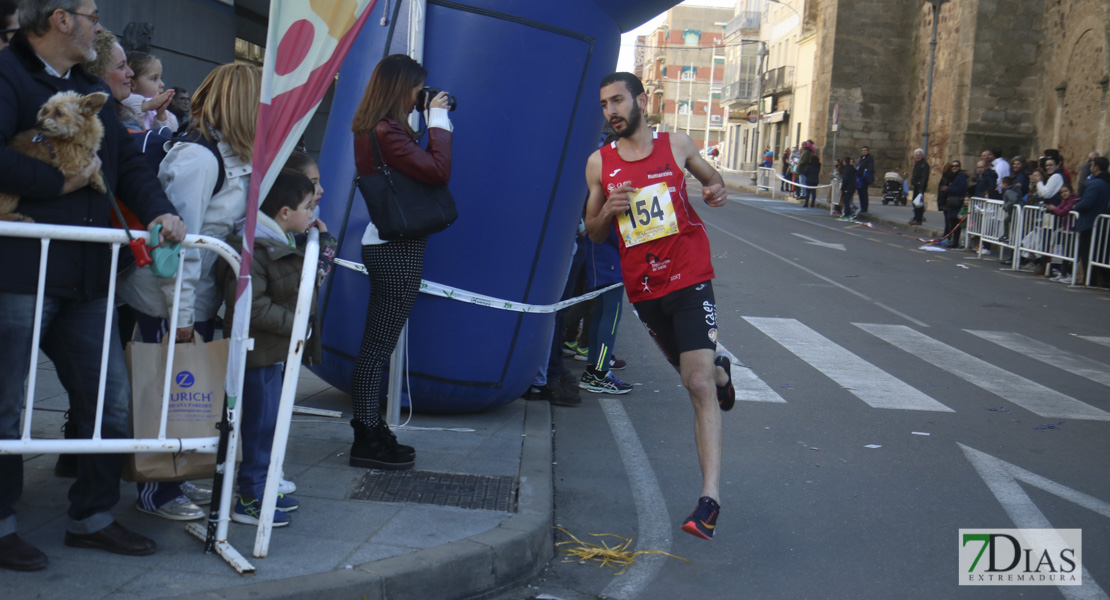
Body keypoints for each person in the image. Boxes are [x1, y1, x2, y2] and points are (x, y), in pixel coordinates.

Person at [0, 0, 186, 571]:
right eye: (91, 13)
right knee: (4, 407)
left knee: (111, 402)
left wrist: (162, 213)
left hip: (88, 275)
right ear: (59, 19)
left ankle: (92, 518)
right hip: (19, 273)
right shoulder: (6, 75)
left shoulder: (87, 84)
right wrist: (59, 184)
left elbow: (129, 164)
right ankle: (2, 526)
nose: (98, 26)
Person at [586, 72, 736, 541]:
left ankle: (709, 500)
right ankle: (722, 373)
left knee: (694, 383)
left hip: (690, 276)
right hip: (645, 290)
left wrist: (715, 191)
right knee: (699, 375)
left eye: (618, 101)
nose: (611, 111)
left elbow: (714, 182)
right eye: (605, 105)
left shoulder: (677, 146)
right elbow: (592, 231)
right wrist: (607, 210)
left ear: (641, 101)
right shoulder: (599, 163)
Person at [116, 62, 262, 521]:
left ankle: (168, 484)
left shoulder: (226, 153)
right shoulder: (199, 159)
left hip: (191, 298)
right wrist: (180, 320)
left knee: (180, 394)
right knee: (169, 394)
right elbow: (177, 247)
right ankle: (156, 490)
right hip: (169, 298)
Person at [348, 54, 452, 470]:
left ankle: (371, 430)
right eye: (415, 89)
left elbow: (418, 169)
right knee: (376, 349)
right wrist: (439, 119)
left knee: (377, 347)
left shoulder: (381, 129)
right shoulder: (387, 130)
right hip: (396, 250)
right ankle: (366, 436)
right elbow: (438, 170)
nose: (418, 98)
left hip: (391, 246)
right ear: (399, 88)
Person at [220, 169, 335, 526]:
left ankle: (258, 492)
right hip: (257, 353)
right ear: (284, 213)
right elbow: (251, 305)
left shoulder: (278, 239)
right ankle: (249, 501)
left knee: (267, 426)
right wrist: (295, 325)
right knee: (258, 429)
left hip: (271, 352)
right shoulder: (255, 246)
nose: (312, 213)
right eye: (306, 207)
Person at [1073, 157, 1110, 284]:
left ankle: (1091, 280)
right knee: (1100, 256)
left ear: (1096, 167)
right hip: (1102, 224)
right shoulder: (1106, 182)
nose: (1090, 167)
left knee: (1088, 255)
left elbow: (1086, 203)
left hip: (1090, 224)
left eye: (1092, 165)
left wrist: (1075, 206)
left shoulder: (1095, 184)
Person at [122, 51, 176, 132]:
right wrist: (147, 105)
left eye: (161, 78)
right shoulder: (124, 102)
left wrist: (161, 115)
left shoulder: (162, 112)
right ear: (132, 84)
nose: (162, 84)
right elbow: (128, 104)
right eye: (154, 78)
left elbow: (162, 136)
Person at [938, 160, 967, 247]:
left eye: (956, 166)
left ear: (959, 167)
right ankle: (951, 240)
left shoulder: (961, 176)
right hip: (951, 202)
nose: (954, 167)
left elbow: (961, 189)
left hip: (957, 202)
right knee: (951, 221)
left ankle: (955, 241)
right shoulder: (951, 176)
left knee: (955, 222)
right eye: (953, 166)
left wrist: (948, 189)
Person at [909, 148, 929, 225]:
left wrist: (921, 188)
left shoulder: (924, 164)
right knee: (915, 202)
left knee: (918, 203)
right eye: (916, 155)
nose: (918, 156)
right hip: (916, 185)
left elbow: (924, 177)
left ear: (922, 155)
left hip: (920, 186)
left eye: (919, 155)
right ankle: (915, 217)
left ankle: (918, 219)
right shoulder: (917, 163)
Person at [856, 146, 875, 214]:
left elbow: (869, 169)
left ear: (868, 151)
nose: (864, 151)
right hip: (860, 178)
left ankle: (864, 208)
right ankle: (862, 207)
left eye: (865, 150)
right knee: (860, 193)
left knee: (864, 193)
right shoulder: (861, 158)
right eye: (863, 150)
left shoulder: (869, 159)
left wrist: (866, 176)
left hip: (864, 178)